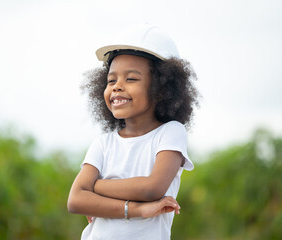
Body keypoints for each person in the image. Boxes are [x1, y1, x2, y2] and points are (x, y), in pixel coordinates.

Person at [67, 23, 199, 239]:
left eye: (131, 78)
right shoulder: (103, 143)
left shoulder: (171, 133)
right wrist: (138, 210)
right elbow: (75, 200)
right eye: (111, 80)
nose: (117, 86)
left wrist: (96, 187)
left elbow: (152, 188)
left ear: (161, 88)